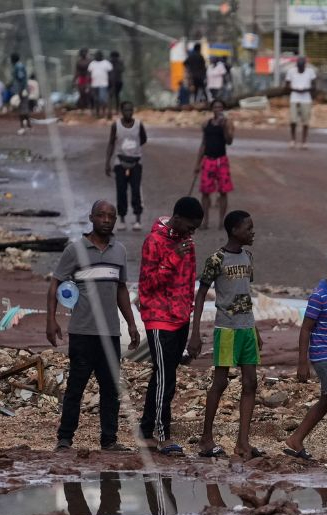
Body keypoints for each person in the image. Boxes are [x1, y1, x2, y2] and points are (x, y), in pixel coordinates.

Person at [47, 200, 140, 452]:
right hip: (82, 332)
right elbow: (55, 284)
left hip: (110, 333)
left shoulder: (119, 251)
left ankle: (109, 440)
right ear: (91, 218)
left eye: (111, 216)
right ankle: (65, 439)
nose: (106, 220)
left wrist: (132, 323)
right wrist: (50, 319)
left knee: (110, 389)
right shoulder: (75, 250)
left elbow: (121, 289)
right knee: (75, 388)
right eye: (101, 215)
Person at [188, 210, 262, 459]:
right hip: (227, 329)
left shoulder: (248, 257)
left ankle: (243, 443)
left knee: (251, 383)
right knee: (220, 382)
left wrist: (255, 330)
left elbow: (245, 296)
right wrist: (195, 332)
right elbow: (201, 295)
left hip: (247, 328)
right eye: (248, 228)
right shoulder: (216, 260)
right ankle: (206, 439)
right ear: (234, 230)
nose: (252, 232)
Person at [137, 197, 203, 457]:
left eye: (195, 228)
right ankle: (162, 435)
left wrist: (189, 316)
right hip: (158, 317)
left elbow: (189, 281)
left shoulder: (187, 242)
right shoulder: (154, 242)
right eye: (190, 226)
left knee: (164, 375)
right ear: (176, 218)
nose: (192, 232)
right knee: (166, 378)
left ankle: (146, 431)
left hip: (180, 318)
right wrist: (174, 257)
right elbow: (147, 284)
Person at [284, 250, 327, 463]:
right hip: (323, 354)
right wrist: (302, 362)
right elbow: (306, 329)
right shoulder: (319, 295)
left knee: (326, 401)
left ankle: (295, 440)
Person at [105, 101, 147, 230]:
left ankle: (137, 219)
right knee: (121, 191)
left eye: (130, 110)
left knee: (136, 191)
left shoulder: (139, 125)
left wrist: (133, 148)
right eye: (126, 110)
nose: (129, 112)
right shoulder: (116, 125)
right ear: (121, 111)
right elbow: (111, 143)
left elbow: (143, 139)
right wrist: (107, 162)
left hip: (136, 162)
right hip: (120, 162)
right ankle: (122, 219)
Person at [195, 100, 235, 231]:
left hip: (221, 161)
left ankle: (221, 222)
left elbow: (229, 141)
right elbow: (203, 144)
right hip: (208, 160)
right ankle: (205, 221)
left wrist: (224, 128)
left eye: (220, 107)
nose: (218, 109)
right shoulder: (207, 124)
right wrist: (197, 163)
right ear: (212, 109)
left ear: (223, 109)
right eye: (216, 107)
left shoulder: (227, 123)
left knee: (223, 191)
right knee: (205, 192)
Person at [284, 56, 317, 150]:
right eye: (299, 66)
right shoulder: (291, 71)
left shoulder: (310, 72)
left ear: (305, 65)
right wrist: (295, 90)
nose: (300, 68)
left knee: (305, 121)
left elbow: (314, 86)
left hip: (306, 99)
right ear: (297, 65)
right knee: (293, 120)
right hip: (294, 98)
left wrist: (306, 90)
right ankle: (293, 140)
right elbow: (286, 86)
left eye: (302, 67)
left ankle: (304, 141)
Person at [88, 50, 114, 118]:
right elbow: (89, 74)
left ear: (101, 56)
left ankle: (104, 111)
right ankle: (97, 113)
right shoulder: (92, 63)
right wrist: (88, 84)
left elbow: (110, 74)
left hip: (104, 84)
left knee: (103, 99)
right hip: (94, 84)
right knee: (96, 99)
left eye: (98, 55)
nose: (97, 56)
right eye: (96, 55)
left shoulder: (106, 63)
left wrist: (111, 84)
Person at [10, 53, 31, 132]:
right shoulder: (20, 66)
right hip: (22, 89)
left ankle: (23, 127)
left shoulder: (18, 67)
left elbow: (21, 78)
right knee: (24, 108)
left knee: (22, 108)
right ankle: (28, 125)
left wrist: (21, 90)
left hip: (21, 90)